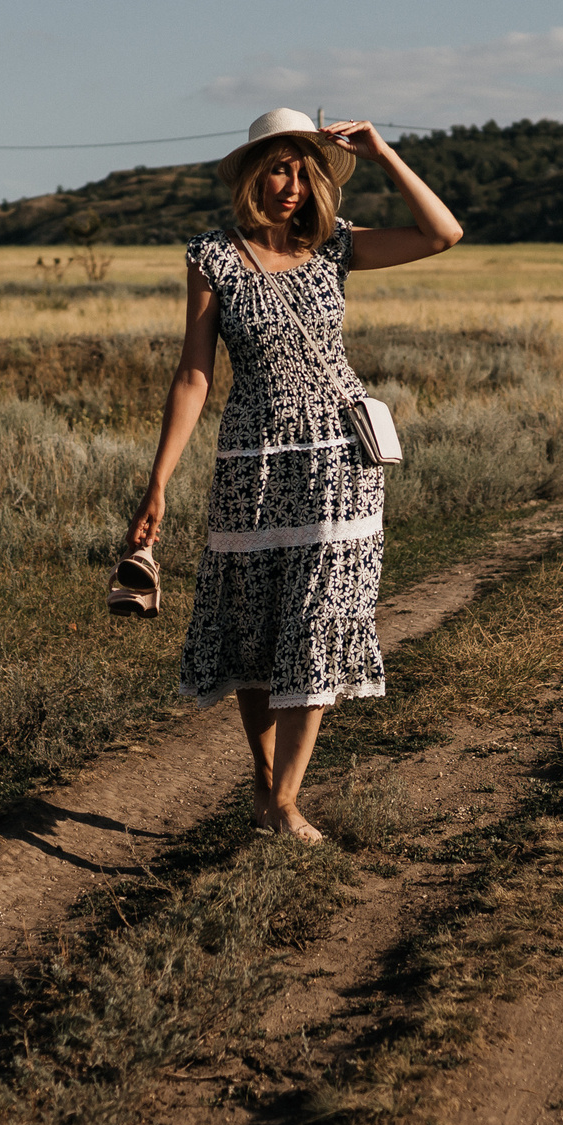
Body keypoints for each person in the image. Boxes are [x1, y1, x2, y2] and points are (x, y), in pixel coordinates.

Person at [127, 107, 464, 842]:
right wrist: (159, 483)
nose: (292, 186)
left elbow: (443, 233)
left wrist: (382, 153)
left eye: (304, 173)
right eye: (279, 170)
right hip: (250, 461)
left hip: (340, 460)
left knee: (318, 617)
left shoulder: (335, 246)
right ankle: (262, 784)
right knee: (253, 626)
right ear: (253, 175)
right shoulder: (213, 257)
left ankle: (285, 802)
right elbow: (193, 374)